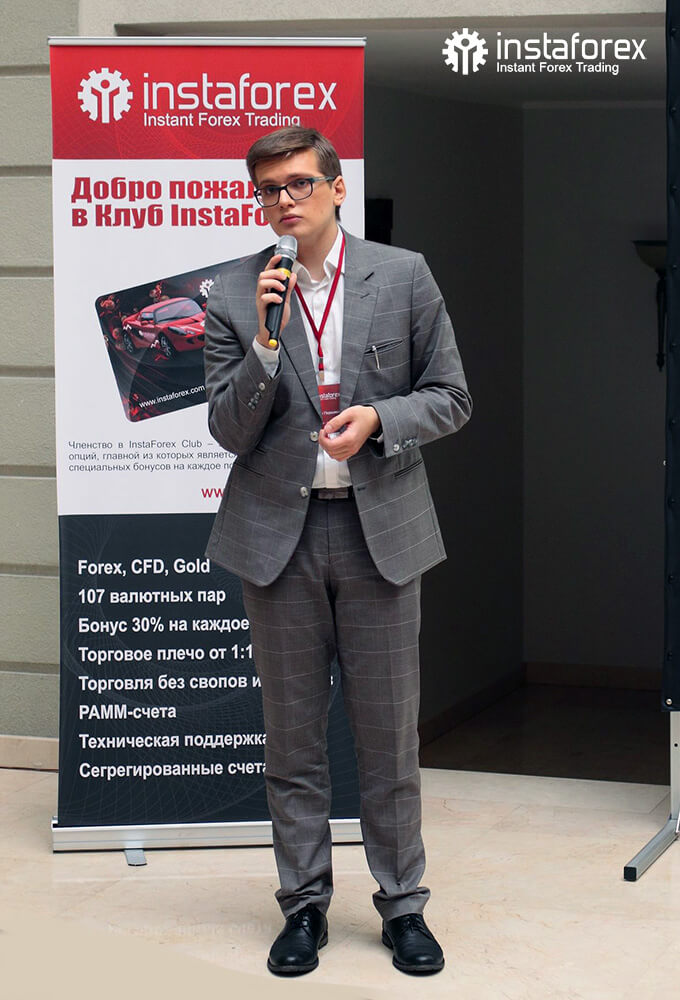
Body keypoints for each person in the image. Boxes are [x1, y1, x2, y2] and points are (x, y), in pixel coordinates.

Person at [204, 126, 471, 977]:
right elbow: (228, 429)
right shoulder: (236, 292)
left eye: (298, 183)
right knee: (292, 743)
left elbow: (451, 396)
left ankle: (403, 907)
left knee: (388, 739)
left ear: (336, 187)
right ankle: (303, 907)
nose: (283, 200)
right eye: (268, 188)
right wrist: (265, 342)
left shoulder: (404, 274)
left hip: (378, 534)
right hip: (277, 541)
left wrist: (381, 419)